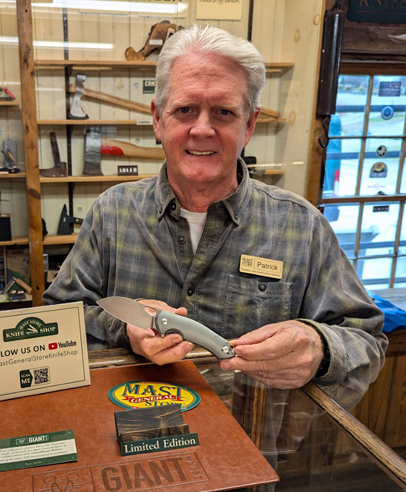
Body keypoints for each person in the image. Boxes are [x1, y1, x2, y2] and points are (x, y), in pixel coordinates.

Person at [43, 24, 387, 408]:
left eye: (223, 112)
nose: (202, 129)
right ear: (158, 119)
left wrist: (320, 347)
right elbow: (57, 323)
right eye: (185, 109)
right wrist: (124, 327)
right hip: (129, 444)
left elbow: (367, 341)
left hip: (255, 447)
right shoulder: (113, 214)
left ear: (249, 125)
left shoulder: (302, 227)